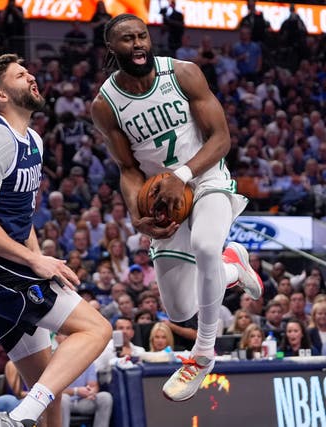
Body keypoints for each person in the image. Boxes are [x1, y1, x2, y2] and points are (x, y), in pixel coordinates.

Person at [90, 14, 263, 402]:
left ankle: (202, 355)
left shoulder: (183, 74)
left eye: (142, 36)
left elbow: (221, 138)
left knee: (204, 247)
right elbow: (128, 169)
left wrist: (181, 174)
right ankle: (233, 266)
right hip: (165, 202)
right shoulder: (105, 104)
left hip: (205, 178)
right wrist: (138, 217)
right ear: (111, 48)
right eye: (127, 39)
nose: (137, 44)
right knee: (179, 309)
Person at [0, 54, 111, 427]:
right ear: (1, 94)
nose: (32, 77)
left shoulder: (34, 139)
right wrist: (35, 262)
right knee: (96, 329)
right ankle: (15, 418)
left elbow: (22, 217)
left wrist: (38, 260)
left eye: (29, 72)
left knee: (49, 397)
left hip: (11, 265)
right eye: (20, 76)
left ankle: (25, 413)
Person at [56, 332, 113, 427]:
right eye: (64, 335)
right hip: (62, 402)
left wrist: (91, 392)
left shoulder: (86, 359)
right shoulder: (52, 360)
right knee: (63, 399)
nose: (68, 338)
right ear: (57, 338)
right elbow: (53, 391)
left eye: (71, 335)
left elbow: (93, 385)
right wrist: (76, 391)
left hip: (83, 401)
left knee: (105, 397)